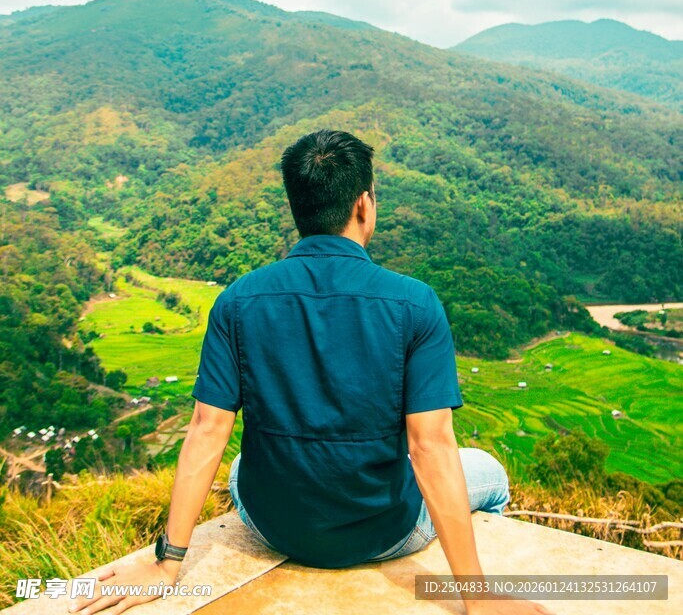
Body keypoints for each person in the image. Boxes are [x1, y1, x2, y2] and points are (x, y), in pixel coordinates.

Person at [70, 129, 551, 615]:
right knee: (489, 471)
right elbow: (429, 447)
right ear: (364, 205)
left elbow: (206, 430)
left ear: (297, 207)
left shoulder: (236, 300)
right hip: (382, 532)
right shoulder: (415, 303)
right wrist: (479, 598)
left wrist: (167, 566)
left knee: (240, 469)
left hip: (273, 525)